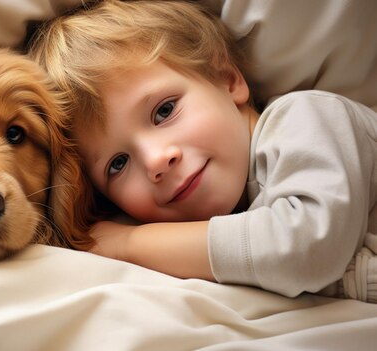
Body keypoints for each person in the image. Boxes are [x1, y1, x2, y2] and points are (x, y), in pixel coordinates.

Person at [28, 0, 377, 302]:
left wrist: (126, 243)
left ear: (227, 79)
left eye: (164, 111)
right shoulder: (207, 237)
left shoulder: (307, 116)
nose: (155, 161)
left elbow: (307, 250)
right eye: (118, 164)